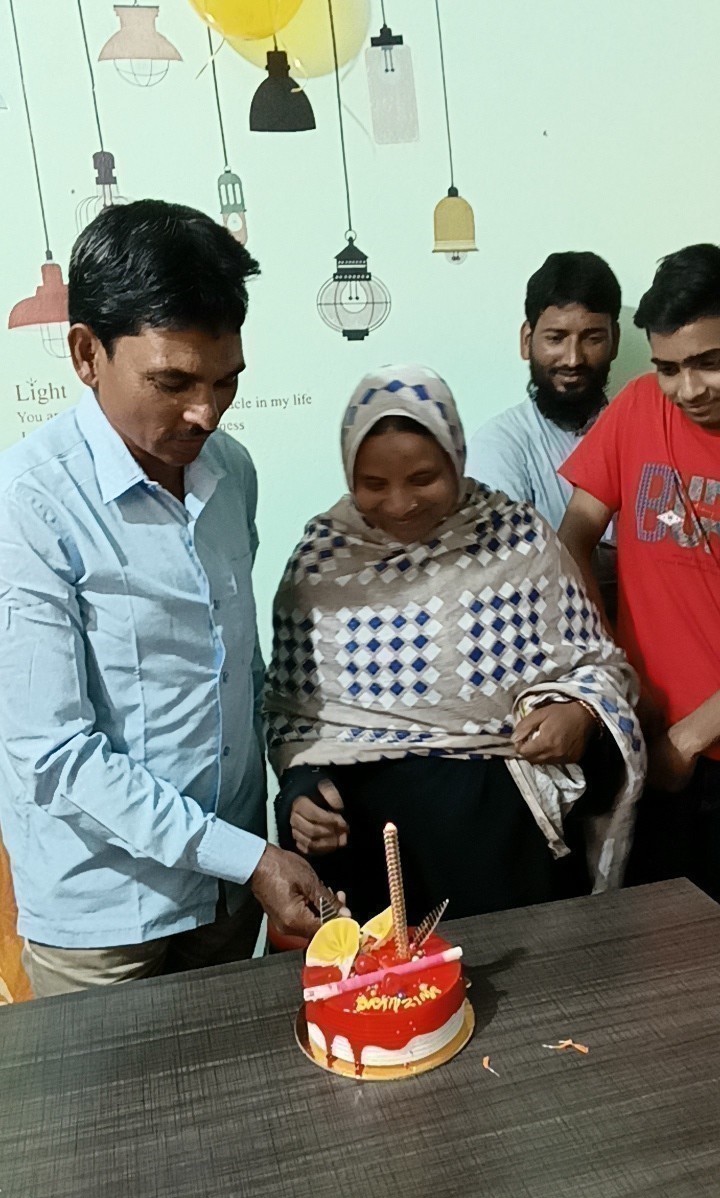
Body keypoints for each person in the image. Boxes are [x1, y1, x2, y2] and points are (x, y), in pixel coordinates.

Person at [0, 200, 341, 998]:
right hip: (106, 916)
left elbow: (237, 669)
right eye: (173, 381)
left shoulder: (231, 472)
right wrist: (248, 857)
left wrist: (289, 788)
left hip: (230, 894)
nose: (205, 411)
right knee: (107, 1087)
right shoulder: (28, 502)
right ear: (87, 353)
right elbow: (53, 751)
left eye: (226, 380)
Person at [265, 365, 644, 926]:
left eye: (424, 478)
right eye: (374, 484)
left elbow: (601, 667)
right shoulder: (321, 563)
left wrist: (580, 713)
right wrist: (301, 791)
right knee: (391, 980)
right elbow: (290, 715)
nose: (400, 503)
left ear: (457, 459)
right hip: (368, 848)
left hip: (502, 841)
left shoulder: (517, 540)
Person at [558, 243, 720, 900]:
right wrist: (611, 662)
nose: (689, 389)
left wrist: (691, 737)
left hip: (692, 747)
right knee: (654, 936)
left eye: (709, 362)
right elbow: (574, 533)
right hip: (644, 742)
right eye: (669, 368)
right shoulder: (637, 406)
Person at [466, 251, 621, 529]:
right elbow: (504, 552)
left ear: (615, 342)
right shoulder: (500, 445)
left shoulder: (639, 435)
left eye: (592, 339)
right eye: (556, 338)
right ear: (527, 341)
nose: (573, 359)